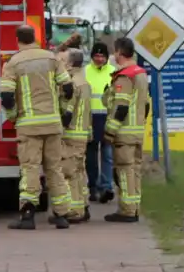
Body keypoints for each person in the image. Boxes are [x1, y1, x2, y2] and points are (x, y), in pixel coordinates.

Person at [0, 24, 74, 230]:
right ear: (35, 37)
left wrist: (14, 116)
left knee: (30, 169)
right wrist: (59, 109)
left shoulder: (13, 63)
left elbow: (6, 96)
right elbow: (67, 88)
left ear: (18, 40)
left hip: (28, 126)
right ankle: (61, 215)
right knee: (55, 168)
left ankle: (27, 215)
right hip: (52, 123)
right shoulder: (51, 59)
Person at [102, 37, 150, 223]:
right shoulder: (140, 73)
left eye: (115, 52)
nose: (114, 55)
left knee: (124, 170)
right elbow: (145, 105)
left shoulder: (125, 76)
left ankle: (127, 210)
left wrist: (109, 132)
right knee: (135, 170)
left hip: (125, 133)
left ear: (120, 53)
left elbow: (121, 107)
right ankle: (134, 207)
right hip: (137, 131)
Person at [58, 48, 93, 223]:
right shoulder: (85, 82)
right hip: (83, 134)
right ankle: (83, 204)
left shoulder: (72, 84)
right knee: (79, 171)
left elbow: (67, 112)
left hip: (71, 134)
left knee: (69, 172)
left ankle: (74, 210)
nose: (61, 64)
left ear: (71, 64)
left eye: (63, 61)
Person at [84, 42, 115, 204]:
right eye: (96, 56)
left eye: (102, 56)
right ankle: (93, 186)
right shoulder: (85, 71)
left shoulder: (113, 72)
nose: (99, 59)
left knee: (108, 154)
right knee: (91, 155)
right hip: (90, 117)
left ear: (107, 57)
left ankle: (106, 186)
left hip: (107, 118)